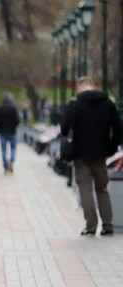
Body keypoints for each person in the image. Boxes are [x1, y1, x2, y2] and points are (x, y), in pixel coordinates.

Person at [60, 77, 123, 236]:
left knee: (85, 189)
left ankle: (91, 225)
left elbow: (63, 128)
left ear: (79, 87)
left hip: (80, 154)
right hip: (101, 153)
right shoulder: (107, 103)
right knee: (102, 189)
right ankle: (107, 225)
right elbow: (118, 127)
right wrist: (111, 147)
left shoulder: (75, 104)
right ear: (93, 86)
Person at [0, 92, 20, 174]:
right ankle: (11, 161)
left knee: (4, 150)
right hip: (12, 131)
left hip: (2, 132)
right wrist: (14, 126)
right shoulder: (14, 108)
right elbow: (17, 120)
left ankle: (5, 165)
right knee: (13, 148)